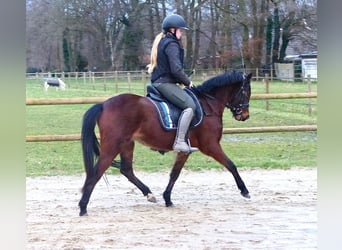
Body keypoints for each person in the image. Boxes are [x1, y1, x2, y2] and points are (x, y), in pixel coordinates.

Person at [147, 14, 198, 153]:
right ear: (172, 30)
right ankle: (180, 142)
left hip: (159, 82)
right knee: (190, 106)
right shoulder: (171, 44)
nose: (182, 33)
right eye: (180, 30)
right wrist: (188, 83)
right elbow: (176, 69)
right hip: (165, 83)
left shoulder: (163, 41)